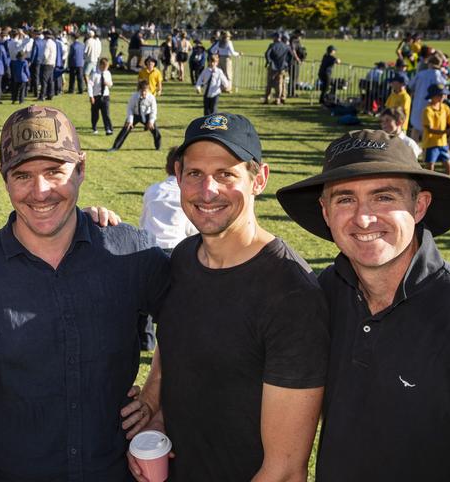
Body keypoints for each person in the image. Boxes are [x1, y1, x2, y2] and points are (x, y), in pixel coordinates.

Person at [275, 129, 450, 482]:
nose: (363, 218)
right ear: (326, 211)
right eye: (345, 199)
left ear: (419, 205)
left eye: (383, 198)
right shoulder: (324, 294)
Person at [0, 105, 170, 481]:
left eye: (54, 171)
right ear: (4, 178)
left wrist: (156, 395)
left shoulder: (130, 251)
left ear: (81, 169)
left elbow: (191, 316)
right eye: (22, 175)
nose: (40, 191)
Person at [129, 114, 327, 481]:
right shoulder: (184, 258)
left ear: (259, 179)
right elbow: (174, 340)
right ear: (177, 176)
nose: (208, 190)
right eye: (195, 174)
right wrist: (156, 409)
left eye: (226, 174)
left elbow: (284, 470)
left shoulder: (292, 295)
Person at [138, 149, 197, 251]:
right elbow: (192, 230)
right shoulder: (188, 194)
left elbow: (143, 222)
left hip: (148, 246)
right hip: (176, 248)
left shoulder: (153, 189)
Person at [421, 84, 450, 175]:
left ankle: (446, 185)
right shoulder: (427, 110)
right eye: (440, 95)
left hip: (443, 144)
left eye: (444, 95)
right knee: (429, 168)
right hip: (430, 144)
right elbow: (430, 130)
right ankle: (429, 186)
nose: (443, 97)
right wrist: (446, 132)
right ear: (432, 96)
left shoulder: (445, 107)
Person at [112, 79, 161, 151]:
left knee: (155, 131)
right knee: (126, 129)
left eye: (146, 91)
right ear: (139, 90)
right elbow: (130, 108)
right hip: (135, 115)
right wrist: (130, 121)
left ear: (148, 90)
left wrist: (151, 121)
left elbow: (154, 110)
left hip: (147, 115)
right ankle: (115, 147)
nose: (144, 93)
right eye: (142, 91)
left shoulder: (151, 97)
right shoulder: (134, 97)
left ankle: (158, 147)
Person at [262, 33, 290, 105]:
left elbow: (267, 54)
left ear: (276, 37)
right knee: (280, 84)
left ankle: (267, 98)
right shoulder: (285, 46)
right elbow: (289, 56)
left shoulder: (272, 45)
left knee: (269, 83)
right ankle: (278, 99)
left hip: (273, 67)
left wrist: (269, 61)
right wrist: (286, 64)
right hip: (282, 67)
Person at [89, 56, 114, 135]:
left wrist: (108, 84)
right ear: (100, 65)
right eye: (104, 66)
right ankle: (94, 127)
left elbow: (111, 84)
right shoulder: (94, 74)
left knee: (106, 113)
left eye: (107, 67)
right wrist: (91, 96)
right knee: (95, 113)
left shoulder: (107, 73)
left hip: (105, 96)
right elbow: (90, 85)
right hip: (96, 96)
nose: (106, 68)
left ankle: (108, 129)